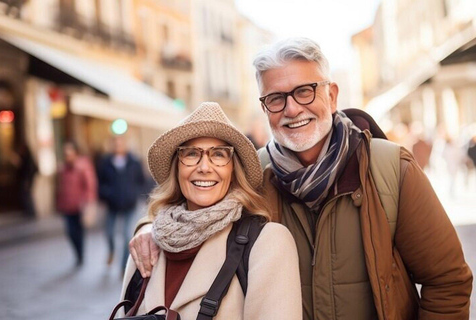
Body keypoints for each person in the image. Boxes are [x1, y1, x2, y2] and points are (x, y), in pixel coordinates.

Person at [129, 38, 473, 319]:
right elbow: (193, 204)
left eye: (305, 91)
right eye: (276, 99)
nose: (292, 109)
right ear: (265, 109)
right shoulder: (253, 175)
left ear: (332, 95)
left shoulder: (390, 168)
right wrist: (148, 228)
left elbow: (448, 282)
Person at [119, 102, 301, 318]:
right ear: (177, 167)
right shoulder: (145, 248)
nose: (204, 167)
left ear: (234, 169)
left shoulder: (266, 244)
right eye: (191, 154)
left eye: (218, 155)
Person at [98, 135, 145, 272]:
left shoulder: (134, 161)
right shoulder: (106, 162)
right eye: (115, 143)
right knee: (109, 233)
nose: (118, 146)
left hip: (129, 204)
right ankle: (111, 251)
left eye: (120, 143)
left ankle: (123, 266)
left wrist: (135, 194)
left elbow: (141, 180)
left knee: (126, 236)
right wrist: (106, 194)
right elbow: (100, 182)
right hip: (112, 204)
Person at [56, 141, 97, 266]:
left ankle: (80, 254)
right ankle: (78, 253)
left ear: (75, 153)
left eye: (70, 153)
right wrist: (58, 204)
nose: (68, 156)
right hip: (67, 207)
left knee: (78, 233)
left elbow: (90, 186)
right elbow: (60, 188)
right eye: (65, 154)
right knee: (70, 232)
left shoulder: (83, 166)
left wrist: (88, 203)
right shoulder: (63, 169)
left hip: (80, 207)